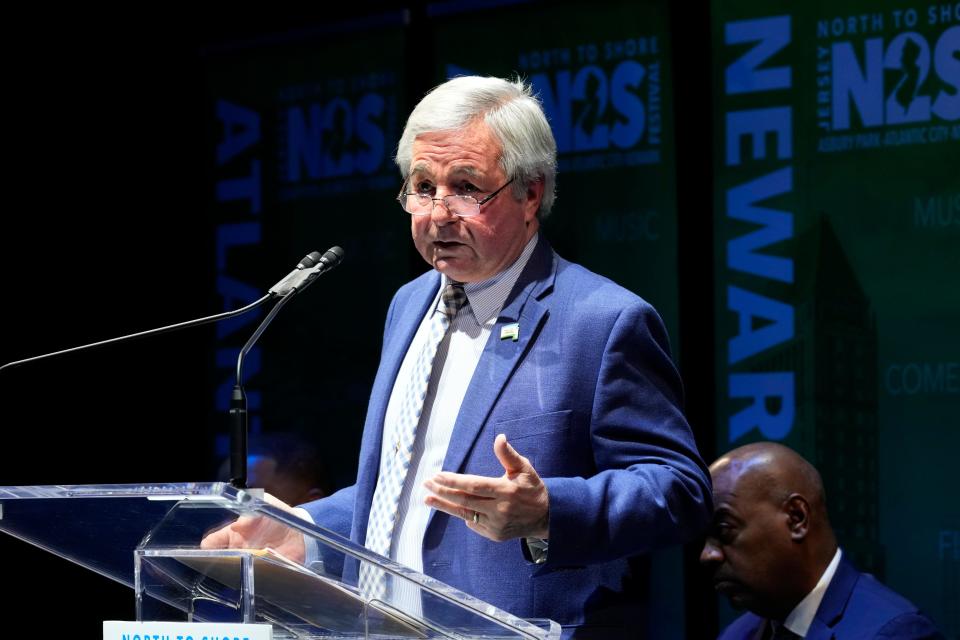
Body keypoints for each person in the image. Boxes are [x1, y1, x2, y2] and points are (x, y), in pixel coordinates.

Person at [204, 75, 711, 637]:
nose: (438, 213)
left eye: (466, 187)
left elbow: (677, 489)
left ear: (531, 194)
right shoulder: (409, 305)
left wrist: (548, 511)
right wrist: (302, 528)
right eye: (422, 187)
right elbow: (406, 488)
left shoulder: (603, 320)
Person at [701, 442, 944, 639]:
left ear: (797, 518)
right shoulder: (737, 634)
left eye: (724, 530)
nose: (707, 555)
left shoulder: (897, 634)